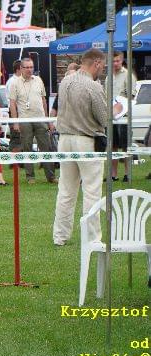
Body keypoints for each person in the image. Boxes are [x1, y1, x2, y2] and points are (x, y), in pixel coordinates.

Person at [52, 48, 109, 246]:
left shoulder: (65, 81)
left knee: (66, 190)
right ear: (97, 64)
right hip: (86, 140)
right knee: (92, 191)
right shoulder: (93, 86)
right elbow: (103, 118)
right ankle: (92, 238)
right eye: (102, 65)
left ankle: (60, 236)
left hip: (65, 139)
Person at [9, 58, 57, 184]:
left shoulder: (39, 80)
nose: (30, 69)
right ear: (21, 68)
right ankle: (30, 176)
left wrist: (48, 120)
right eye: (27, 67)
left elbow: (43, 101)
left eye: (31, 67)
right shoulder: (15, 83)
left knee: (46, 147)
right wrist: (15, 122)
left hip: (40, 118)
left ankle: (51, 176)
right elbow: (12, 104)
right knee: (27, 148)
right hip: (25, 120)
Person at [105, 51, 137, 182]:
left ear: (122, 60)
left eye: (117, 61)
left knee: (126, 146)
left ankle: (127, 174)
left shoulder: (128, 75)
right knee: (112, 145)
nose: (115, 63)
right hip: (111, 116)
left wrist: (120, 103)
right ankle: (113, 175)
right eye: (112, 61)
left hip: (124, 116)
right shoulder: (108, 77)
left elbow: (132, 95)